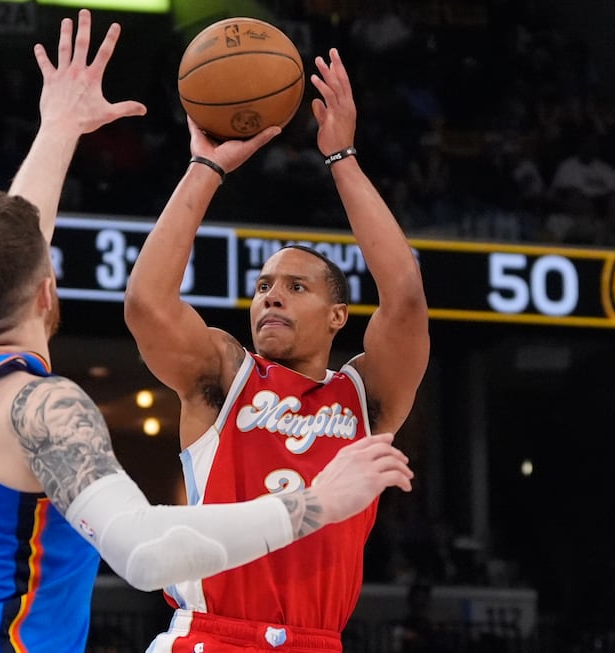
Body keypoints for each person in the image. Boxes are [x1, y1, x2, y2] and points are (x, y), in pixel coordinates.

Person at [0, 12, 415, 653]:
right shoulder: (42, 408)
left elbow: (11, 242)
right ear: (45, 289)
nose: (273, 297)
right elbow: (144, 554)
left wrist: (59, 127)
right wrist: (319, 502)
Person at [125, 46, 430, 651]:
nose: (271, 298)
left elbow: (406, 300)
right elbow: (146, 305)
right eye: (263, 287)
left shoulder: (364, 395)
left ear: (338, 315)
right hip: (213, 636)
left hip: (319, 640)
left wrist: (342, 158)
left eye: (295, 288)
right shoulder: (225, 373)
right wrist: (204, 168)